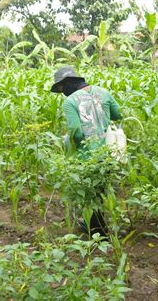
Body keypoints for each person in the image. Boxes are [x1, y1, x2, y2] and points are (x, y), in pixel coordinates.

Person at [50, 66, 122, 236]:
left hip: (86, 155)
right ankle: (98, 227)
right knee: (101, 190)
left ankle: (98, 232)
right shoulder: (103, 92)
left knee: (89, 194)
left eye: (61, 89)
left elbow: (76, 131)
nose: (63, 93)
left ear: (67, 84)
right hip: (109, 152)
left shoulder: (70, 102)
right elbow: (117, 114)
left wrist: (70, 144)